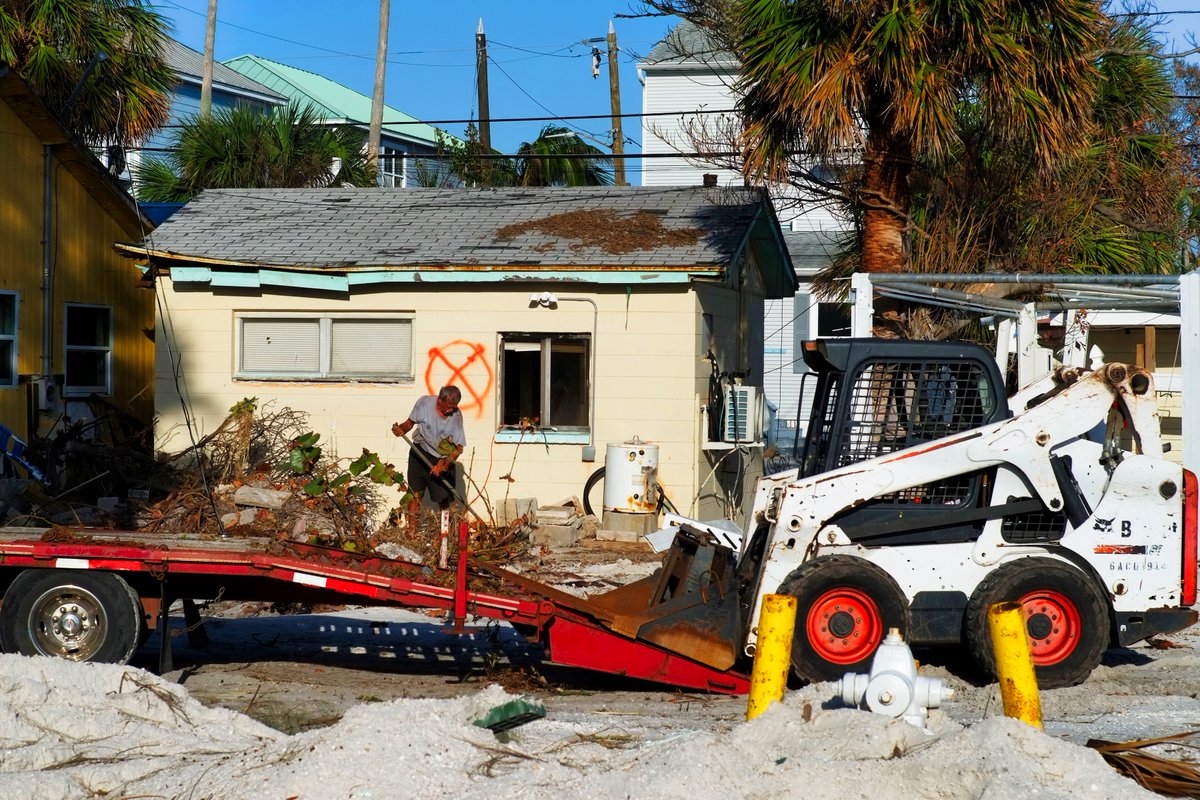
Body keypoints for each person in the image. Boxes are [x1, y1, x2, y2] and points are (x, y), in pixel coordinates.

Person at [391, 386, 466, 515]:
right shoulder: (424, 403)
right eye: (448, 407)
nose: (451, 410)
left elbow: (458, 448)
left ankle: (445, 532)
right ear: (440, 400)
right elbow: (409, 423)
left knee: (444, 498)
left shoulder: (456, 416)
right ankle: (412, 532)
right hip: (419, 452)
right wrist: (401, 429)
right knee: (415, 494)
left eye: (454, 407)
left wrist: (444, 464)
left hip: (441, 458)